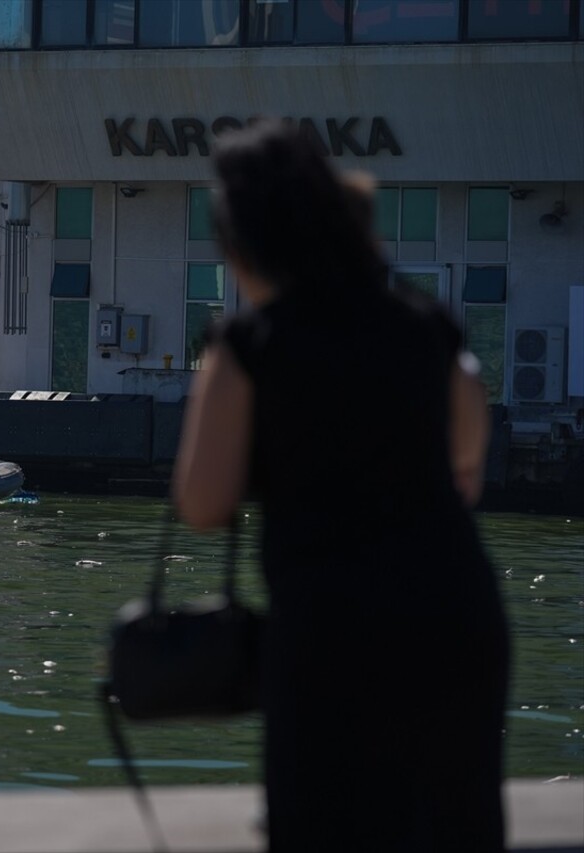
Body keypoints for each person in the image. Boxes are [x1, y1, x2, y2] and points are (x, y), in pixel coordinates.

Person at [173, 120, 509, 851]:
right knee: (454, 825)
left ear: (242, 245)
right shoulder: (426, 325)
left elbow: (203, 503)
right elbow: (467, 462)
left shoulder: (248, 345)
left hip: (332, 632)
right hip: (457, 617)